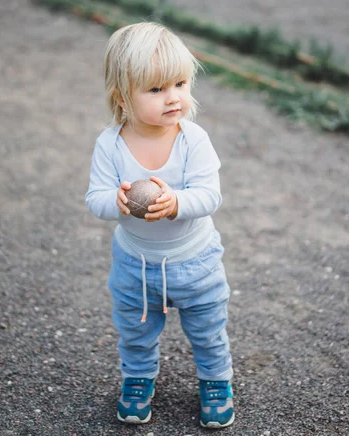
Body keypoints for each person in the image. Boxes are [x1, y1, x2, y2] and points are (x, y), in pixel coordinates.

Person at [85, 22, 234, 428]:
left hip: (195, 261)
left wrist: (176, 202)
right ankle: (137, 378)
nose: (173, 98)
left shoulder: (193, 140)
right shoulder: (110, 144)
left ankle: (216, 381)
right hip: (136, 263)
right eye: (155, 90)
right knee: (135, 329)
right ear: (122, 98)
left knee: (207, 329)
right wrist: (115, 201)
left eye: (180, 84)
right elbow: (95, 198)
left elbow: (210, 195)